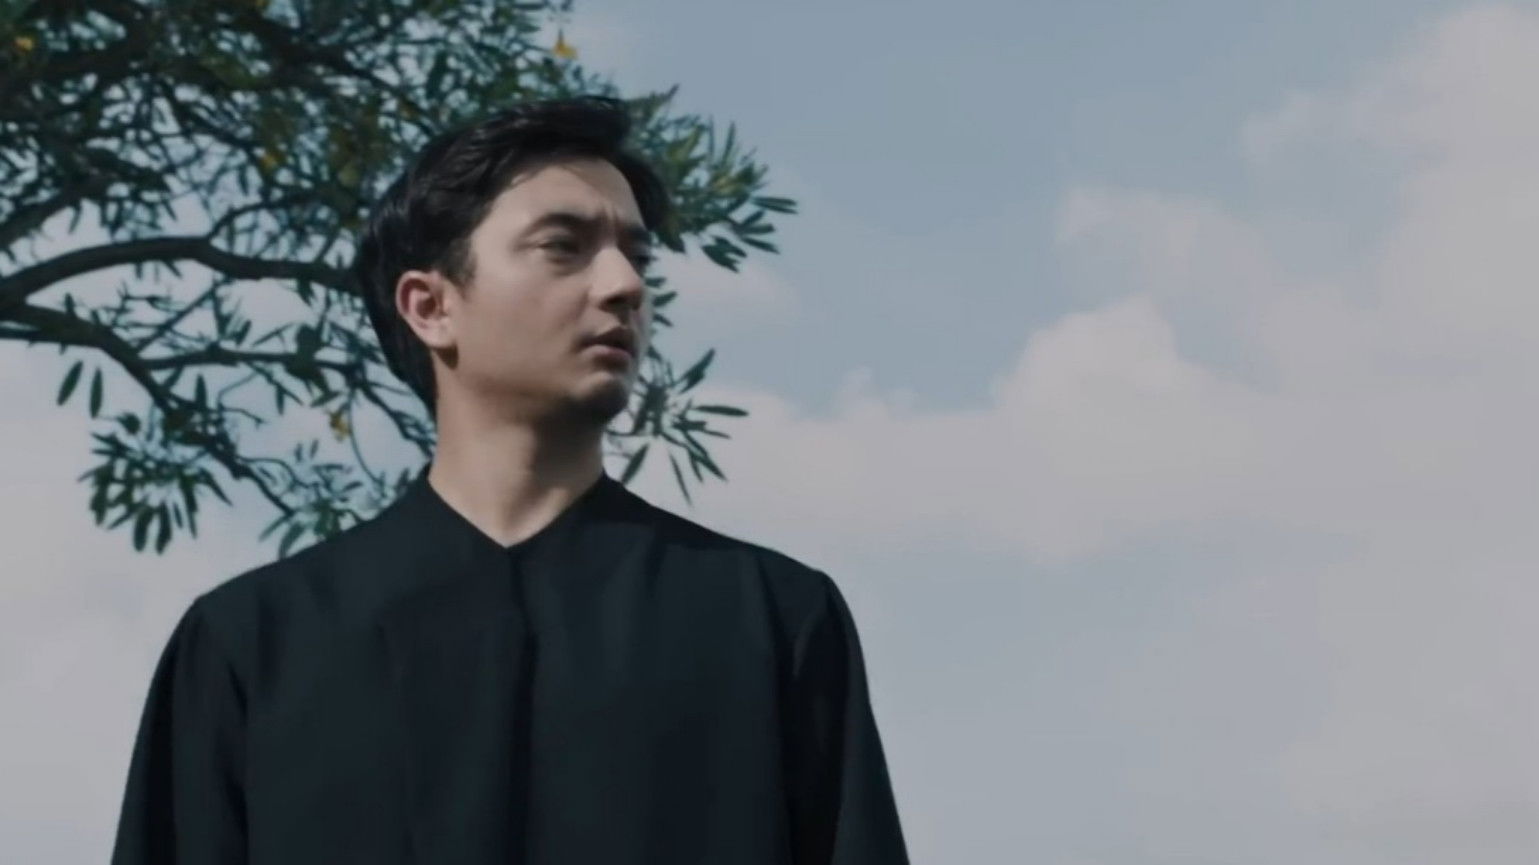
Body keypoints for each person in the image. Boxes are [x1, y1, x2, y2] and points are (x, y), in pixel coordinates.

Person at [109, 95, 911, 865]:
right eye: (563, 246)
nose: (624, 285)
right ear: (430, 306)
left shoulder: (772, 619)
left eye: (636, 256)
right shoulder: (252, 645)